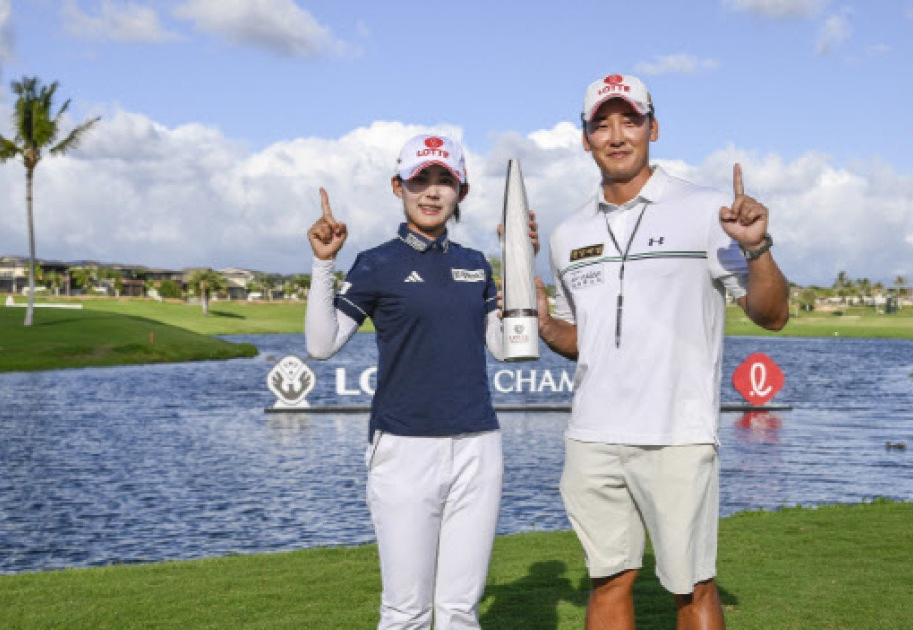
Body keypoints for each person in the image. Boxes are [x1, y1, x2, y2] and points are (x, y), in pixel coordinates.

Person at [535, 74, 789, 629]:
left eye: (630, 120)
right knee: (606, 583)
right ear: (585, 139)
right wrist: (547, 326)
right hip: (593, 436)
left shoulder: (705, 209)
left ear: (654, 128)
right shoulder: (565, 233)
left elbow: (772, 315)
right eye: (602, 124)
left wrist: (758, 249)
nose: (617, 135)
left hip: (678, 433)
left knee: (692, 588)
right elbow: (586, 340)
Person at [304, 134, 531, 629]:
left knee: (458, 611)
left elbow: (506, 347)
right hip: (404, 447)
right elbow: (321, 345)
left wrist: (519, 262)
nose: (431, 192)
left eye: (444, 180)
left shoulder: (476, 265)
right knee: (406, 612)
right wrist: (324, 263)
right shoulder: (376, 263)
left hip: (478, 445)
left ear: (461, 191)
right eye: (419, 179)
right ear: (398, 186)